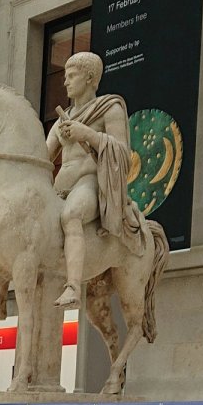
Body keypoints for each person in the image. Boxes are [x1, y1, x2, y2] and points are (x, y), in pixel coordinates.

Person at [46, 51, 147, 308]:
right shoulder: (62, 119)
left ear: (90, 78)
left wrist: (87, 134)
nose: (65, 82)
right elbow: (43, 156)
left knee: (71, 216)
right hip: (60, 186)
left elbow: (123, 153)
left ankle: (72, 287)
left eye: (71, 76)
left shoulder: (110, 107)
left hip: (88, 182)